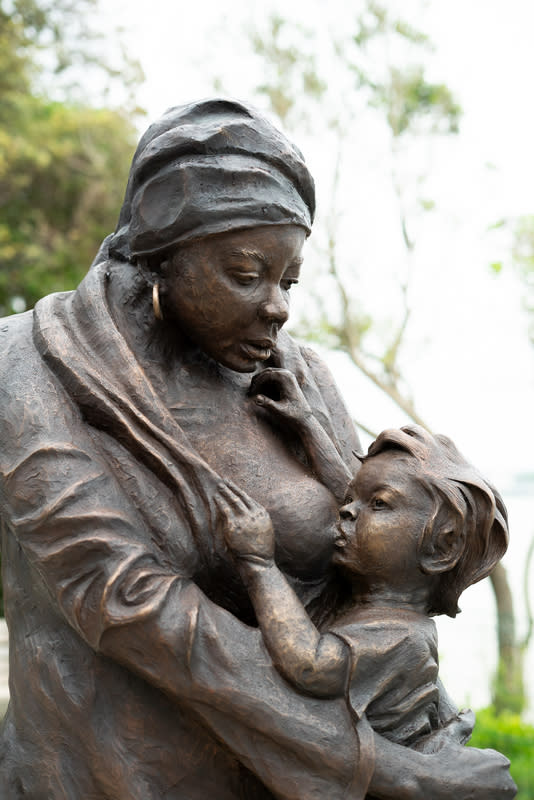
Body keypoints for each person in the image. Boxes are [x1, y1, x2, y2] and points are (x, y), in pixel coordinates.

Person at [0, 98, 516, 799]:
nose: (277, 306)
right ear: (162, 255)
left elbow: (377, 588)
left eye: (289, 279)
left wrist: (427, 727)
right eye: (245, 274)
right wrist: (385, 768)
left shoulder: (295, 375)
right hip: (107, 774)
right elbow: (127, 603)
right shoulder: (27, 363)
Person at [216, 410, 509, 756]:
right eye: (351, 500)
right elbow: (349, 490)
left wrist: (259, 563)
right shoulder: (385, 613)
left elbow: (312, 666)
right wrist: (309, 427)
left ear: (442, 547)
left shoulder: (402, 635)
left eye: (379, 505)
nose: (347, 510)